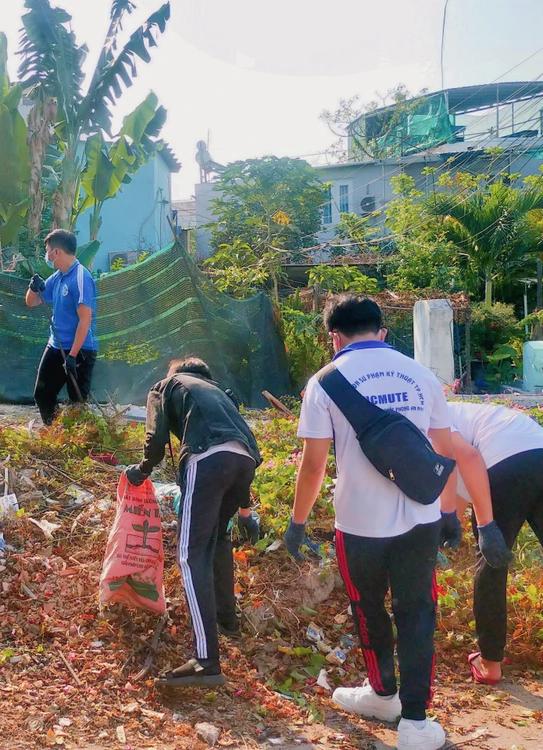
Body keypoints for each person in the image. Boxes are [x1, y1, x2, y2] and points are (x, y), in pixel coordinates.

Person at [286, 295, 455, 750]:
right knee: (418, 613)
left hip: (358, 524)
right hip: (421, 519)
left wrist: (297, 523)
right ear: (382, 333)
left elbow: (313, 466)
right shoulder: (422, 375)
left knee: (368, 608)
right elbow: (445, 451)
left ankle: (384, 692)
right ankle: (416, 723)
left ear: (334, 339)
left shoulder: (324, 383)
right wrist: (452, 511)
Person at [125, 356, 262, 687]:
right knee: (219, 540)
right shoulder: (221, 394)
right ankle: (228, 623)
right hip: (245, 461)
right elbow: (238, 451)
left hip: (206, 457)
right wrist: (245, 514)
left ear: (176, 373)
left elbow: (156, 442)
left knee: (190, 555)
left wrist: (141, 470)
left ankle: (206, 661)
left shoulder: (166, 385)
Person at [446, 401, 541, 685]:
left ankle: (490, 662)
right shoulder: (465, 412)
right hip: (538, 451)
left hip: (500, 462)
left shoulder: (426, 414)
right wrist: (454, 521)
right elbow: (463, 486)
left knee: (492, 562)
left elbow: (468, 460)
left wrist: (485, 526)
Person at [24, 229, 98, 425]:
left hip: (79, 350)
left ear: (56, 252)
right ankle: (55, 433)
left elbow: (85, 320)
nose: (46, 256)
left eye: (47, 251)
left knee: (77, 404)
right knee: (42, 395)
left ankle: (79, 441)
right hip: (55, 346)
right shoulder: (57, 277)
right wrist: (33, 288)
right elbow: (32, 302)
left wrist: (73, 356)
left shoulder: (81, 277)